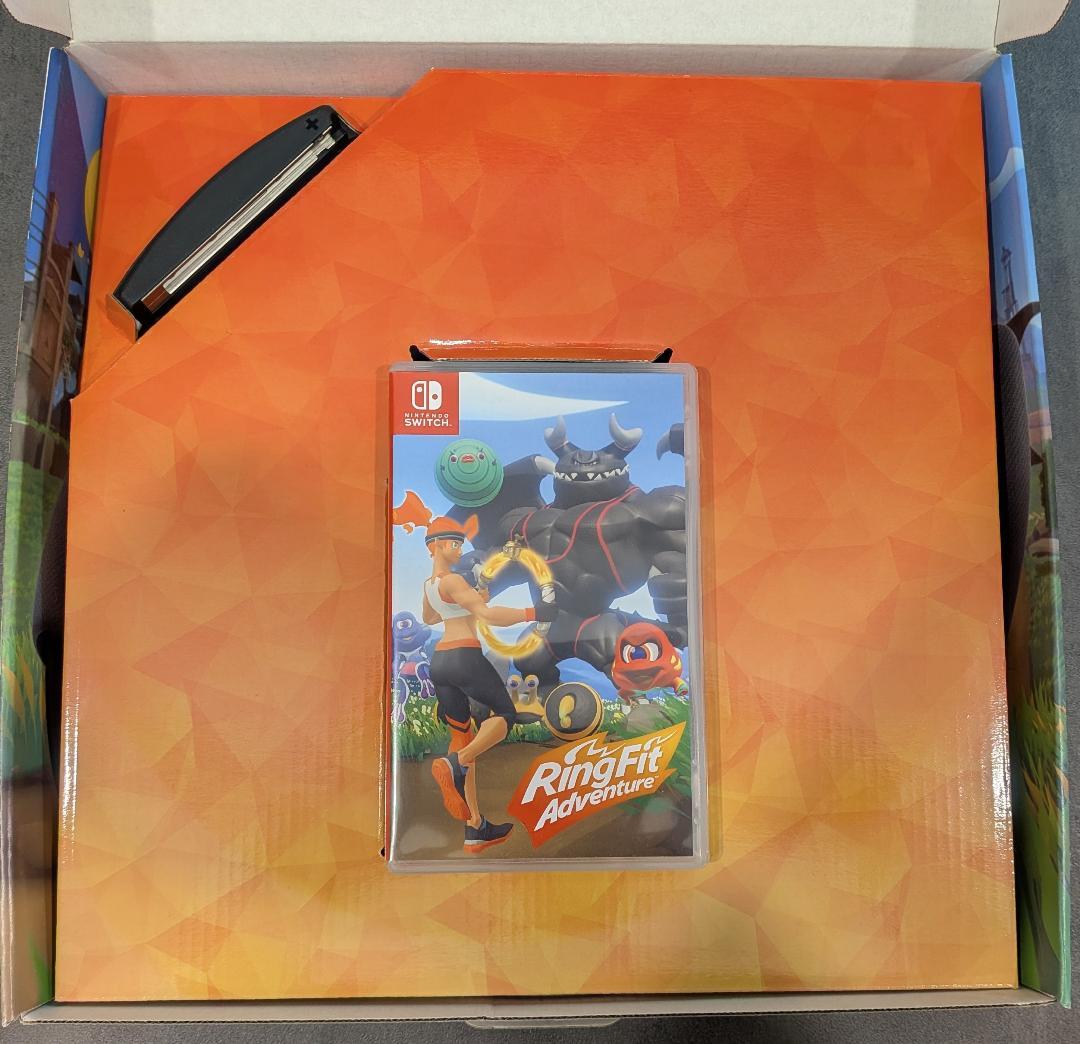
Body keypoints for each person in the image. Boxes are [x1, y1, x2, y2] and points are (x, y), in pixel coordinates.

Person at [421, 515, 556, 853]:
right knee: (504, 715)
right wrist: (533, 612)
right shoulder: (453, 580)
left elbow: (430, 617)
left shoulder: (430, 585)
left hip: (440, 663)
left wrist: (470, 599)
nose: (460, 548)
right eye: (454, 543)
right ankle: (456, 763)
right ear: (435, 546)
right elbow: (489, 616)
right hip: (464, 657)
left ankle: (475, 828)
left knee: (461, 737)